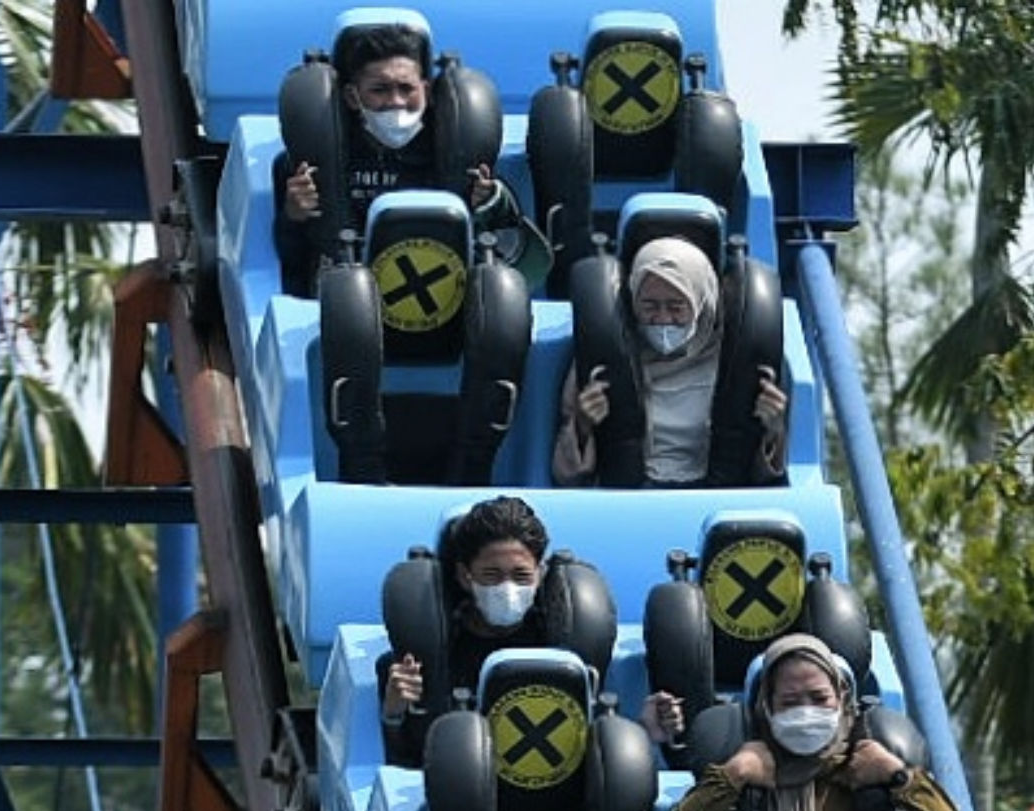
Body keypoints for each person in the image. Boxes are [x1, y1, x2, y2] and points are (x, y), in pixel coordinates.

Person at [662, 633, 965, 811]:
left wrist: (897, 776)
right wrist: (732, 776)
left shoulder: (871, 770)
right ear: (766, 706)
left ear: (842, 699)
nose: (806, 712)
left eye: (819, 698)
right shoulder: (739, 769)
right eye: (790, 701)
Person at [274, 20, 527, 299]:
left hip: (446, 292)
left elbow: (517, 251)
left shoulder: (456, 149)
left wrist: (488, 204)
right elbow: (288, 262)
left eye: (406, 89)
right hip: (348, 297)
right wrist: (294, 216)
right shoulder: (316, 160)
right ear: (352, 97)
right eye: (379, 90)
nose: (396, 101)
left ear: (426, 92)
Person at [550, 237, 788, 487]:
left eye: (676, 307)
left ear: (700, 302)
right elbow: (565, 477)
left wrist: (773, 428)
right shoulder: (603, 357)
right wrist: (583, 425)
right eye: (650, 306)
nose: (663, 319)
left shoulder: (737, 359)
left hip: (716, 497)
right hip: (628, 498)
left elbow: (769, 478)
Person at [380, 495, 552, 765]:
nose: (507, 589)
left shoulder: (557, 642)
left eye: (521, 576)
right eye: (492, 575)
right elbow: (402, 759)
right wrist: (394, 712)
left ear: (539, 574)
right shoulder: (429, 653)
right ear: (464, 575)